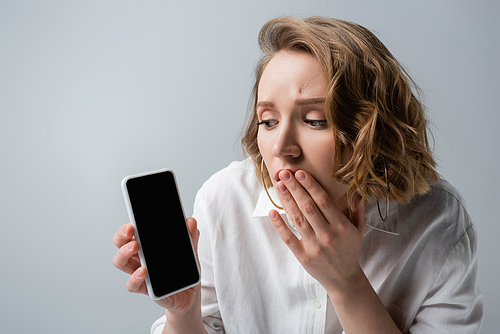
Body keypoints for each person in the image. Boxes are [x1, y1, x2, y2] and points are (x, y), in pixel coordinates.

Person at [113, 16, 483, 333]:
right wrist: (183, 314)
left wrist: (348, 283)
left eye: (315, 120)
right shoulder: (223, 199)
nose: (280, 147)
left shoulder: (439, 222)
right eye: (268, 121)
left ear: (372, 130)